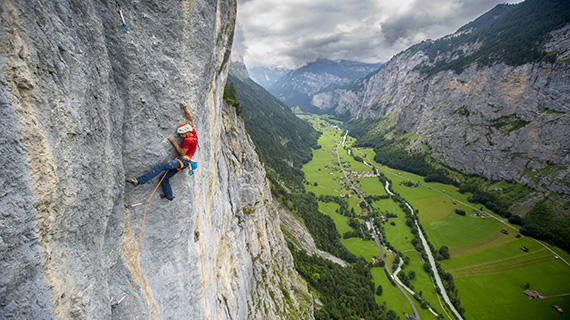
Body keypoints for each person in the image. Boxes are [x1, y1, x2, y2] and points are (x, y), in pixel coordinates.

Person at [126, 101, 197, 200]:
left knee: (161, 166)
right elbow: (190, 119)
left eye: (181, 134)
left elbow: (182, 152)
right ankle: (169, 196)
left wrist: (174, 142)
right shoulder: (193, 133)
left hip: (182, 160)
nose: (180, 136)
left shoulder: (187, 140)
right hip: (185, 162)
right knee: (164, 178)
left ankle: (138, 180)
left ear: (186, 132)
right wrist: (185, 108)